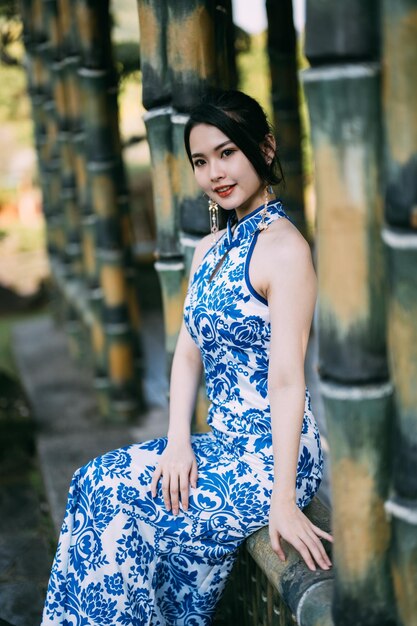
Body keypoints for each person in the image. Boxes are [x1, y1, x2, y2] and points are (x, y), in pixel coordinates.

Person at [41, 89, 332, 626]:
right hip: (221, 445)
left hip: (274, 456)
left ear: (264, 150)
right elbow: (185, 357)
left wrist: (284, 499)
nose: (215, 173)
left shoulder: (286, 249)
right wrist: (177, 443)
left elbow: (289, 379)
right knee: (91, 480)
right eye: (201, 161)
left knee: (117, 504)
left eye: (228, 153)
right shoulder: (209, 250)